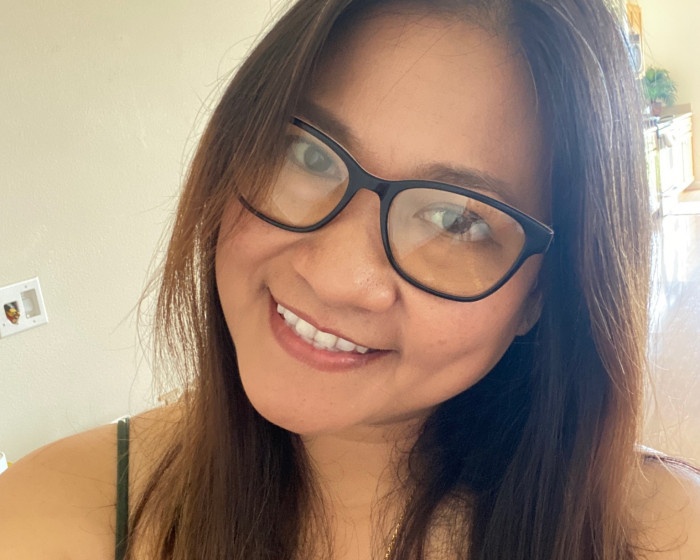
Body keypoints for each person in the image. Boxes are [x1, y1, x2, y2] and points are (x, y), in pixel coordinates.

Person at [2, 0, 700, 558]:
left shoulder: (668, 535)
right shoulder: (49, 520)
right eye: (308, 153)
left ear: (543, 294)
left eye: (458, 221)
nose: (338, 277)